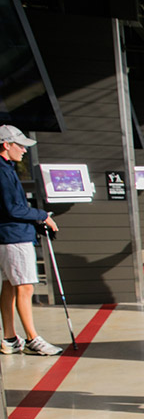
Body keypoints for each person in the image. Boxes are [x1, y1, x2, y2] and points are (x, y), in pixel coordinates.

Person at [0, 125, 63, 356]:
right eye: (20, 146)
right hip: (14, 238)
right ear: (6, 145)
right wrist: (42, 216)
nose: (24, 151)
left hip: (8, 237)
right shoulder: (3, 172)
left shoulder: (7, 168)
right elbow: (13, 208)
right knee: (25, 287)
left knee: (9, 285)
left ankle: (9, 338)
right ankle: (32, 339)